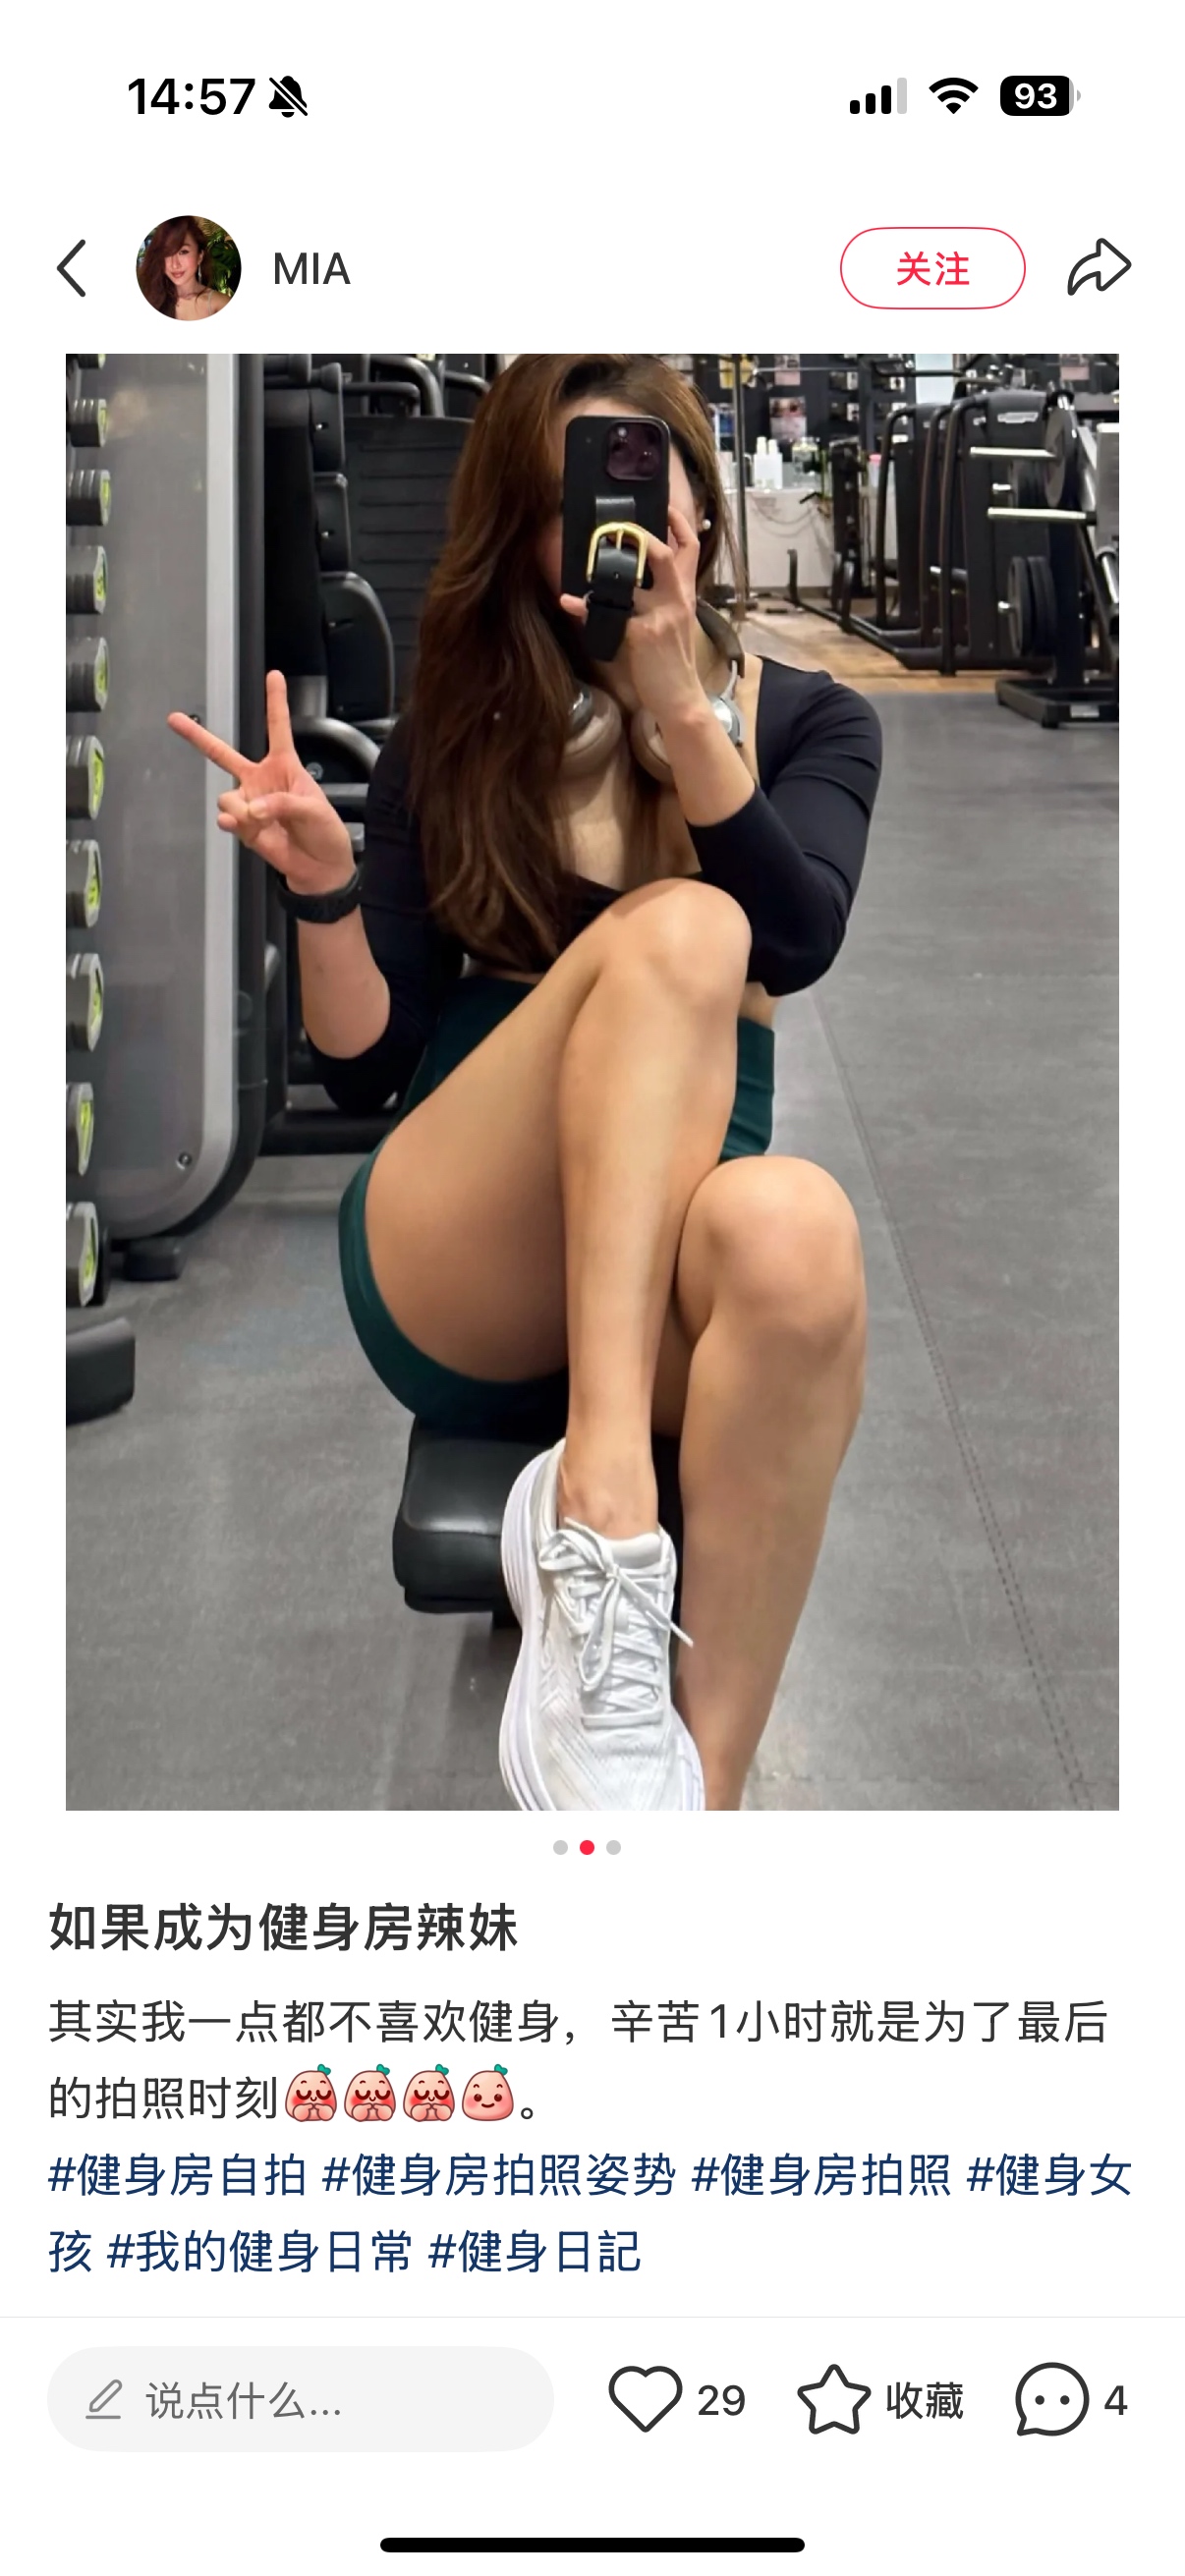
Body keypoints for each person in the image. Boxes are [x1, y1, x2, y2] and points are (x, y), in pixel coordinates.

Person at [169, 354, 881, 1816]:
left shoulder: (812, 721)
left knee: (799, 1230)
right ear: (521, 526)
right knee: (688, 929)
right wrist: (322, 891)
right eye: (576, 495)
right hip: (467, 1253)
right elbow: (369, 1067)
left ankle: (686, 1811)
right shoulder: (463, 724)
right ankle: (601, 1499)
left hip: (672, 1268)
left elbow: (800, 937)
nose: (617, 520)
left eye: (645, 479)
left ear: (698, 503)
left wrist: (679, 706)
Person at [138, 217, 231, 319]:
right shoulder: (151, 300)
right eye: (167, 253)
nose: (175, 265)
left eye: (183, 252)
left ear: (200, 256)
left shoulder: (220, 305)